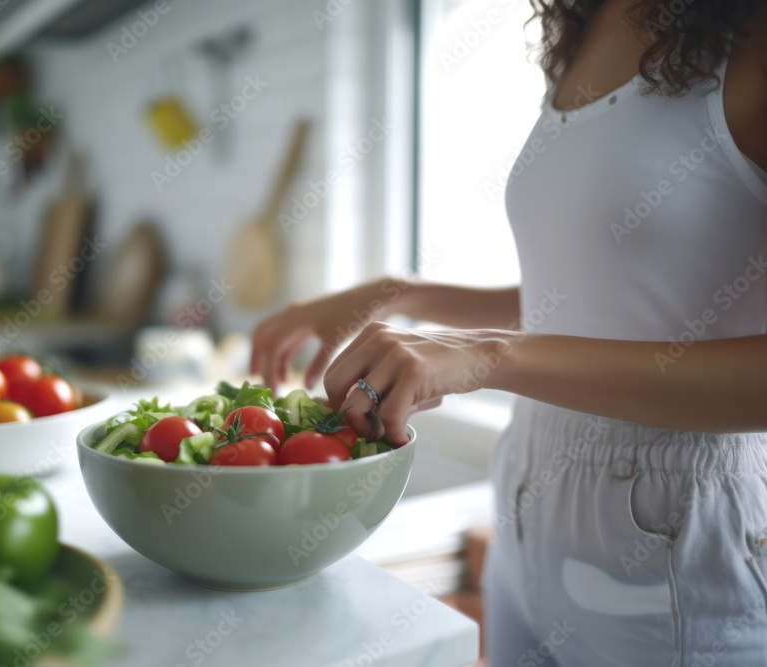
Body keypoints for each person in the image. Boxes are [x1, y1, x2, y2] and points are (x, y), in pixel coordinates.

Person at [251, 0, 767, 664]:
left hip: (676, 555)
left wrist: (490, 357)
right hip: (527, 514)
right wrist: (399, 294)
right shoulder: (589, 25)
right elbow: (597, 302)